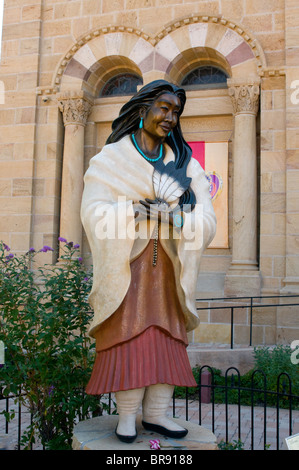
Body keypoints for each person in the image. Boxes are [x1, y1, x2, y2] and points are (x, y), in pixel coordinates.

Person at [81, 80, 216, 443]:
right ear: (142, 111)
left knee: (167, 340)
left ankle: (157, 415)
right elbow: (91, 211)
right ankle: (126, 417)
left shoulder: (186, 166)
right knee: (130, 338)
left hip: (169, 270)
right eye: (164, 108)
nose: (170, 117)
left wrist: (176, 218)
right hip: (129, 269)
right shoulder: (110, 161)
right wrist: (133, 211)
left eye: (176, 111)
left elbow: (208, 219)